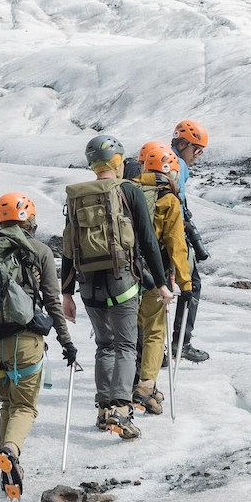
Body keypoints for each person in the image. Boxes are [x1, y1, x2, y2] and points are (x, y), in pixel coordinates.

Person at [0, 192, 76, 502]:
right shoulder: (37, 250)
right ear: (31, 220)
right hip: (24, 342)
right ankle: (10, 452)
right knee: (24, 406)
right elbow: (53, 302)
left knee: (7, 405)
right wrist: (66, 342)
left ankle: (7, 472)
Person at [61, 133, 170, 439]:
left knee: (104, 345)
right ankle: (120, 410)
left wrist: (66, 294)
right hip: (122, 280)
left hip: (87, 286)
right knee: (125, 345)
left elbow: (69, 247)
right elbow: (148, 241)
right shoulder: (128, 191)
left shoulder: (77, 197)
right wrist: (161, 285)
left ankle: (102, 409)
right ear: (118, 162)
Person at [130, 142, 193, 413]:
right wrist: (186, 283)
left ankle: (129, 384)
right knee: (155, 331)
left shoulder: (126, 191)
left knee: (130, 330)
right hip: (155, 276)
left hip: (124, 273)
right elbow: (176, 244)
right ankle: (146, 385)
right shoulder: (169, 199)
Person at [171, 120, 212, 364]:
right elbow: (179, 204)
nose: (198, 156)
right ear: (184, 143)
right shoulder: (179, 166)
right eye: (197, 150)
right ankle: (181, 342)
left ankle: (152, 347)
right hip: (174, 234)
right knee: (191, 285)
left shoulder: (158, 160)